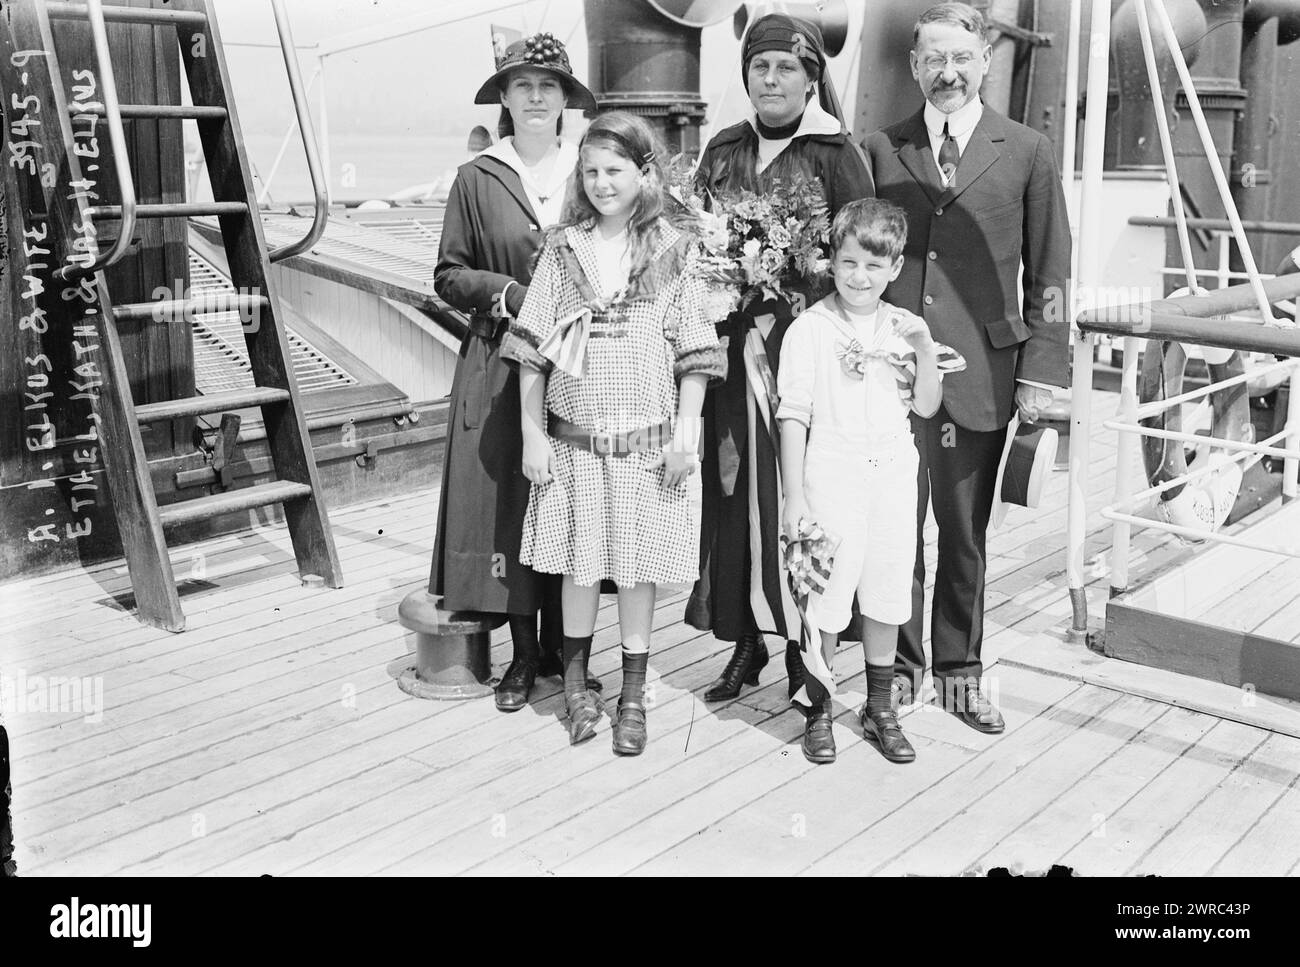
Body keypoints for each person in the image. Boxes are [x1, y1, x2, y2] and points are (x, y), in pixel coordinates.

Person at [862, 2, 1070, 731]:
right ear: (914, 66)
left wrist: (1043, 374)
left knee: (963, 535)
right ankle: (896, 671)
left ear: (984, 59)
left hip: (981, 375)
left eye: (960, 58)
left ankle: (959, 673)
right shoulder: (880, 150)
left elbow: (1050, 272)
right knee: (893, 531)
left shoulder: (1026, 150)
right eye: (932, 60)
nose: (947, 73)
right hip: (893, 378)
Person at [501, 112, 725, 755]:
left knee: (634, 572)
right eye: (591, 172)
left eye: (615, 170)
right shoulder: (563, 250)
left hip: (645, 449)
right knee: (577, 568)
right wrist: (531, 434)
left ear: (644, 174)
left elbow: (697, 356)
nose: (601, 183)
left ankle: (631, 695)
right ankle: (576, 687)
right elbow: (529, 353)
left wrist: (686, 435)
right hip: (573, 445)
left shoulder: (673, 252)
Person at [686, 13, 875, 705]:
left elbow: (864, 256)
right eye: (760, 67)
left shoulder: (834, 153)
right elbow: (691, 244)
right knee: (734, 488)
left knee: (802, 496)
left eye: (786, 68)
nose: (771, 79)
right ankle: (746, 639)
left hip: (804, 355)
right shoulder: (726, 148)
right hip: (733, 351)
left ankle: (805, 645)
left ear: (810, 78)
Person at [430, 33, 601, 713]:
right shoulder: (478, 176)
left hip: (584, 361)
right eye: (522, 85)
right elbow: (447, 273)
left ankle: (572, 653)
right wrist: (507, 292)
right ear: (503, 97)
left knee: (575, 499)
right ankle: (526, 655)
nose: (535, 96)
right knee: (510, 505)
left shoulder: (591, 169)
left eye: (549, 86)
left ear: (566, 100)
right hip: (500, 364)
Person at [778, 199, 951, 764]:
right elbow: (794, 414)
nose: (860, 277)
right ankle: (819, 706)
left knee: (886, 591)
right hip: (832, 470)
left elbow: (926, 407)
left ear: (895, 269)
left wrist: (924, 348)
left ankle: (880, 708)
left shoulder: (903, 329)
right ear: (833, 261)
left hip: (894, 472)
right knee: (824, 597)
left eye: (875, 267)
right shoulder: (810, 329)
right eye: (849, 263)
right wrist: (794, 496)